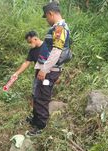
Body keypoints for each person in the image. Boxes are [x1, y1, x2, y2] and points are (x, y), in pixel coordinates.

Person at [27, 1, 71, 136]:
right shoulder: (56, 28)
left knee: (42, 97)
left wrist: (44, 69)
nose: (46, 20)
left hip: (49, 71)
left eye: (46, 17)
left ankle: (40, 127)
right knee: (37, 94)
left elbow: (56, 52)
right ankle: (35, 120)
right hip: (45, 69)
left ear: (50, 14)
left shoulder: (60, 28)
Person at [12, 31, 43, 108]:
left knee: (45, 95)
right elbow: (26, 63)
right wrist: (16, 73)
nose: (29, 44)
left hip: (48, 75)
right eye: (28, 42)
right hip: (38, 76)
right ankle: (33, 112)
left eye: (30, 42)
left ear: (35, 38)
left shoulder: (46, 46)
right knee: (34, 94)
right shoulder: (32, 51)